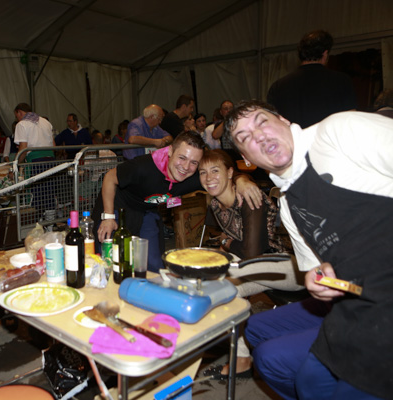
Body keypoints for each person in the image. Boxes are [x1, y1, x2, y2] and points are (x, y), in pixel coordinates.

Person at [223, 99, 393, 400]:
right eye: (245, 137)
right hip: (356, 306)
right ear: (246, 159)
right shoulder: (289, 205)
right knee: (308, 382)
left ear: (284, 120)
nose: (258, 136)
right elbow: (317, 269)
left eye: (261, 121)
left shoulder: (338, 131)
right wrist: (318, 278)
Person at [198, 149, 304, 380]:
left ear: (230, 173)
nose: (208, 178)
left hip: (289, 266)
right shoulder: (215, 205)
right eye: (203, 172)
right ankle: (242, 358)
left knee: (218, 275)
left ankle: (236, 345)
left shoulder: (249, 197)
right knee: (224, 290)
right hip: (254, 267)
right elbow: (242, 252)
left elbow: (252, 252)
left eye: (215, 171)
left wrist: (225, 242)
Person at [93, 131, 262, 273]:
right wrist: (108, 216)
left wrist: (242, 181)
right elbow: (109, 178)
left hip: (146, 210)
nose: (186, 167)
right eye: (182, 158)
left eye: (194, 162)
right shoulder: (142, 167)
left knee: (153, 265)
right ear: (170, 151)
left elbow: (228, 174)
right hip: (117, 207)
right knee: (111, 263)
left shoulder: (195, 176)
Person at [266, 29, 357, 128]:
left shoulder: (277, 87)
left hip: (294, 137)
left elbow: (272, 124)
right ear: (325, 54)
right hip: (329, 137)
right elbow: (350, 119)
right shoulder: (342, 81)